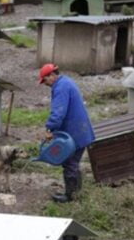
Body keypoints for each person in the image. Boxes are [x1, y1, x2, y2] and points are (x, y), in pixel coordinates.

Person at [39, 63, 95, 203]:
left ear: (52, 75)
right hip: (80, 129)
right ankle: (77, 193)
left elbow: (58, 112)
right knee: (73, 163)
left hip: (75, 132)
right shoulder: (66, 81)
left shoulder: (61, 88)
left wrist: (50, 128)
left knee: (69, 163)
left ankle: (70, 196)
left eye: (45, 80)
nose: (45, 84)